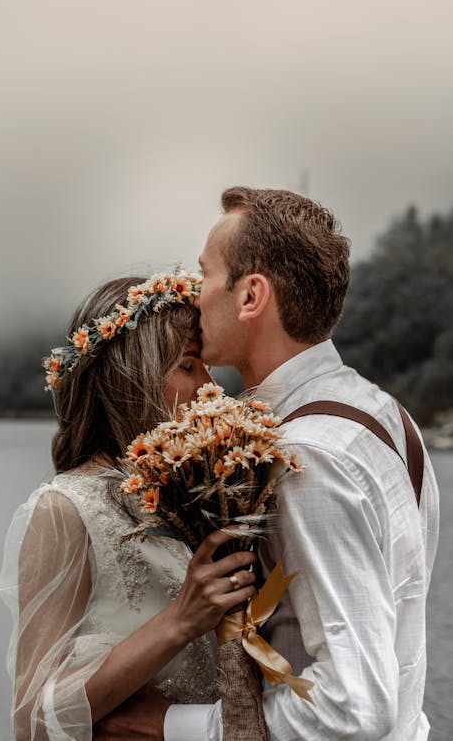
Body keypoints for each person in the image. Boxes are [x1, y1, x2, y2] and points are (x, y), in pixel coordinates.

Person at [112, 189, 440, 741]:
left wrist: (170, 727)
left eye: (205, 274)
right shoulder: (385, 414)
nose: (194, 296)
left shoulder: (307, 457)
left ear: (250, 296)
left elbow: (353, 710)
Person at [0, 272, 258, 741]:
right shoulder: (66, 508)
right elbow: (31, 720)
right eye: (189, 365)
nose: (211, 388)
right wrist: (179, 621)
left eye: (208, 369)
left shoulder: (193, 498)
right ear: (132, 376)